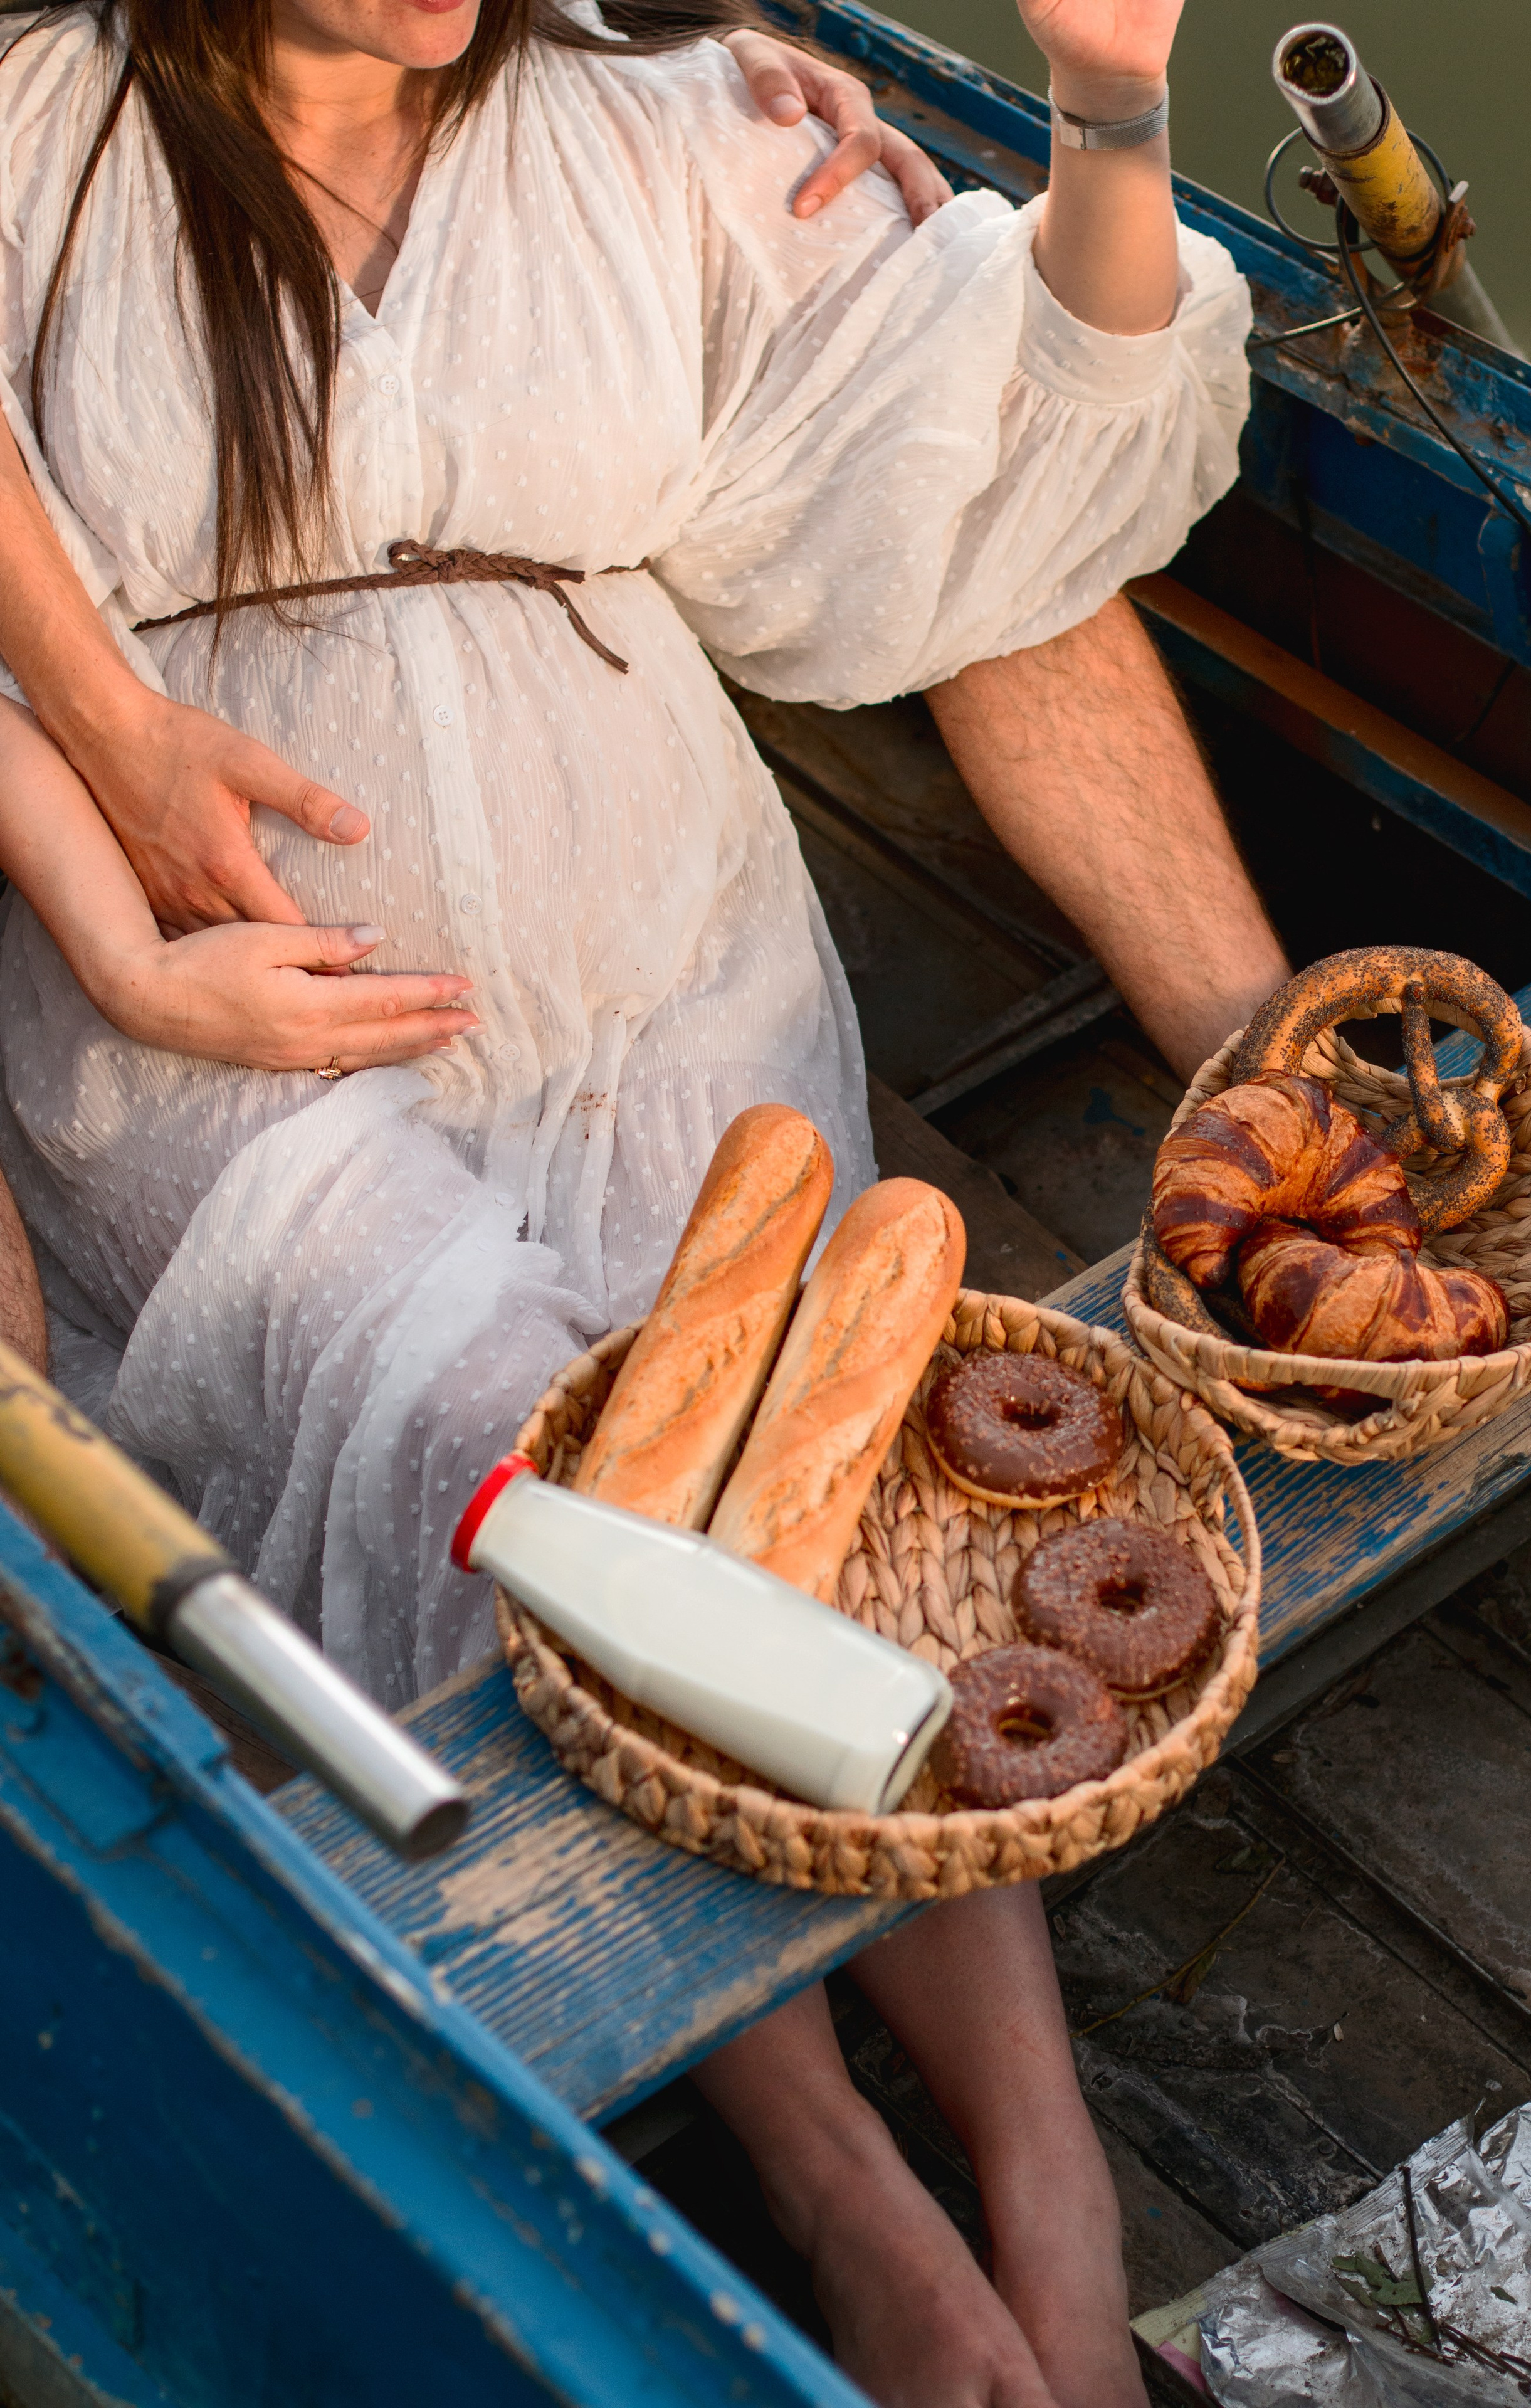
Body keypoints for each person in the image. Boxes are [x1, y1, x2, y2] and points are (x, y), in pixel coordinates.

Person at [0, 0, 1288, 2397]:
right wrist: (99, 900)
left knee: (823, 1429)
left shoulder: (664, 119)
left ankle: (1047, 2165)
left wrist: (1110, 111)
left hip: (649, 906)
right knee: (527, 1450)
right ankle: (834, 2172)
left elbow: (993, 451)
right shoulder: (31, 135)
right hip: (238, 980)